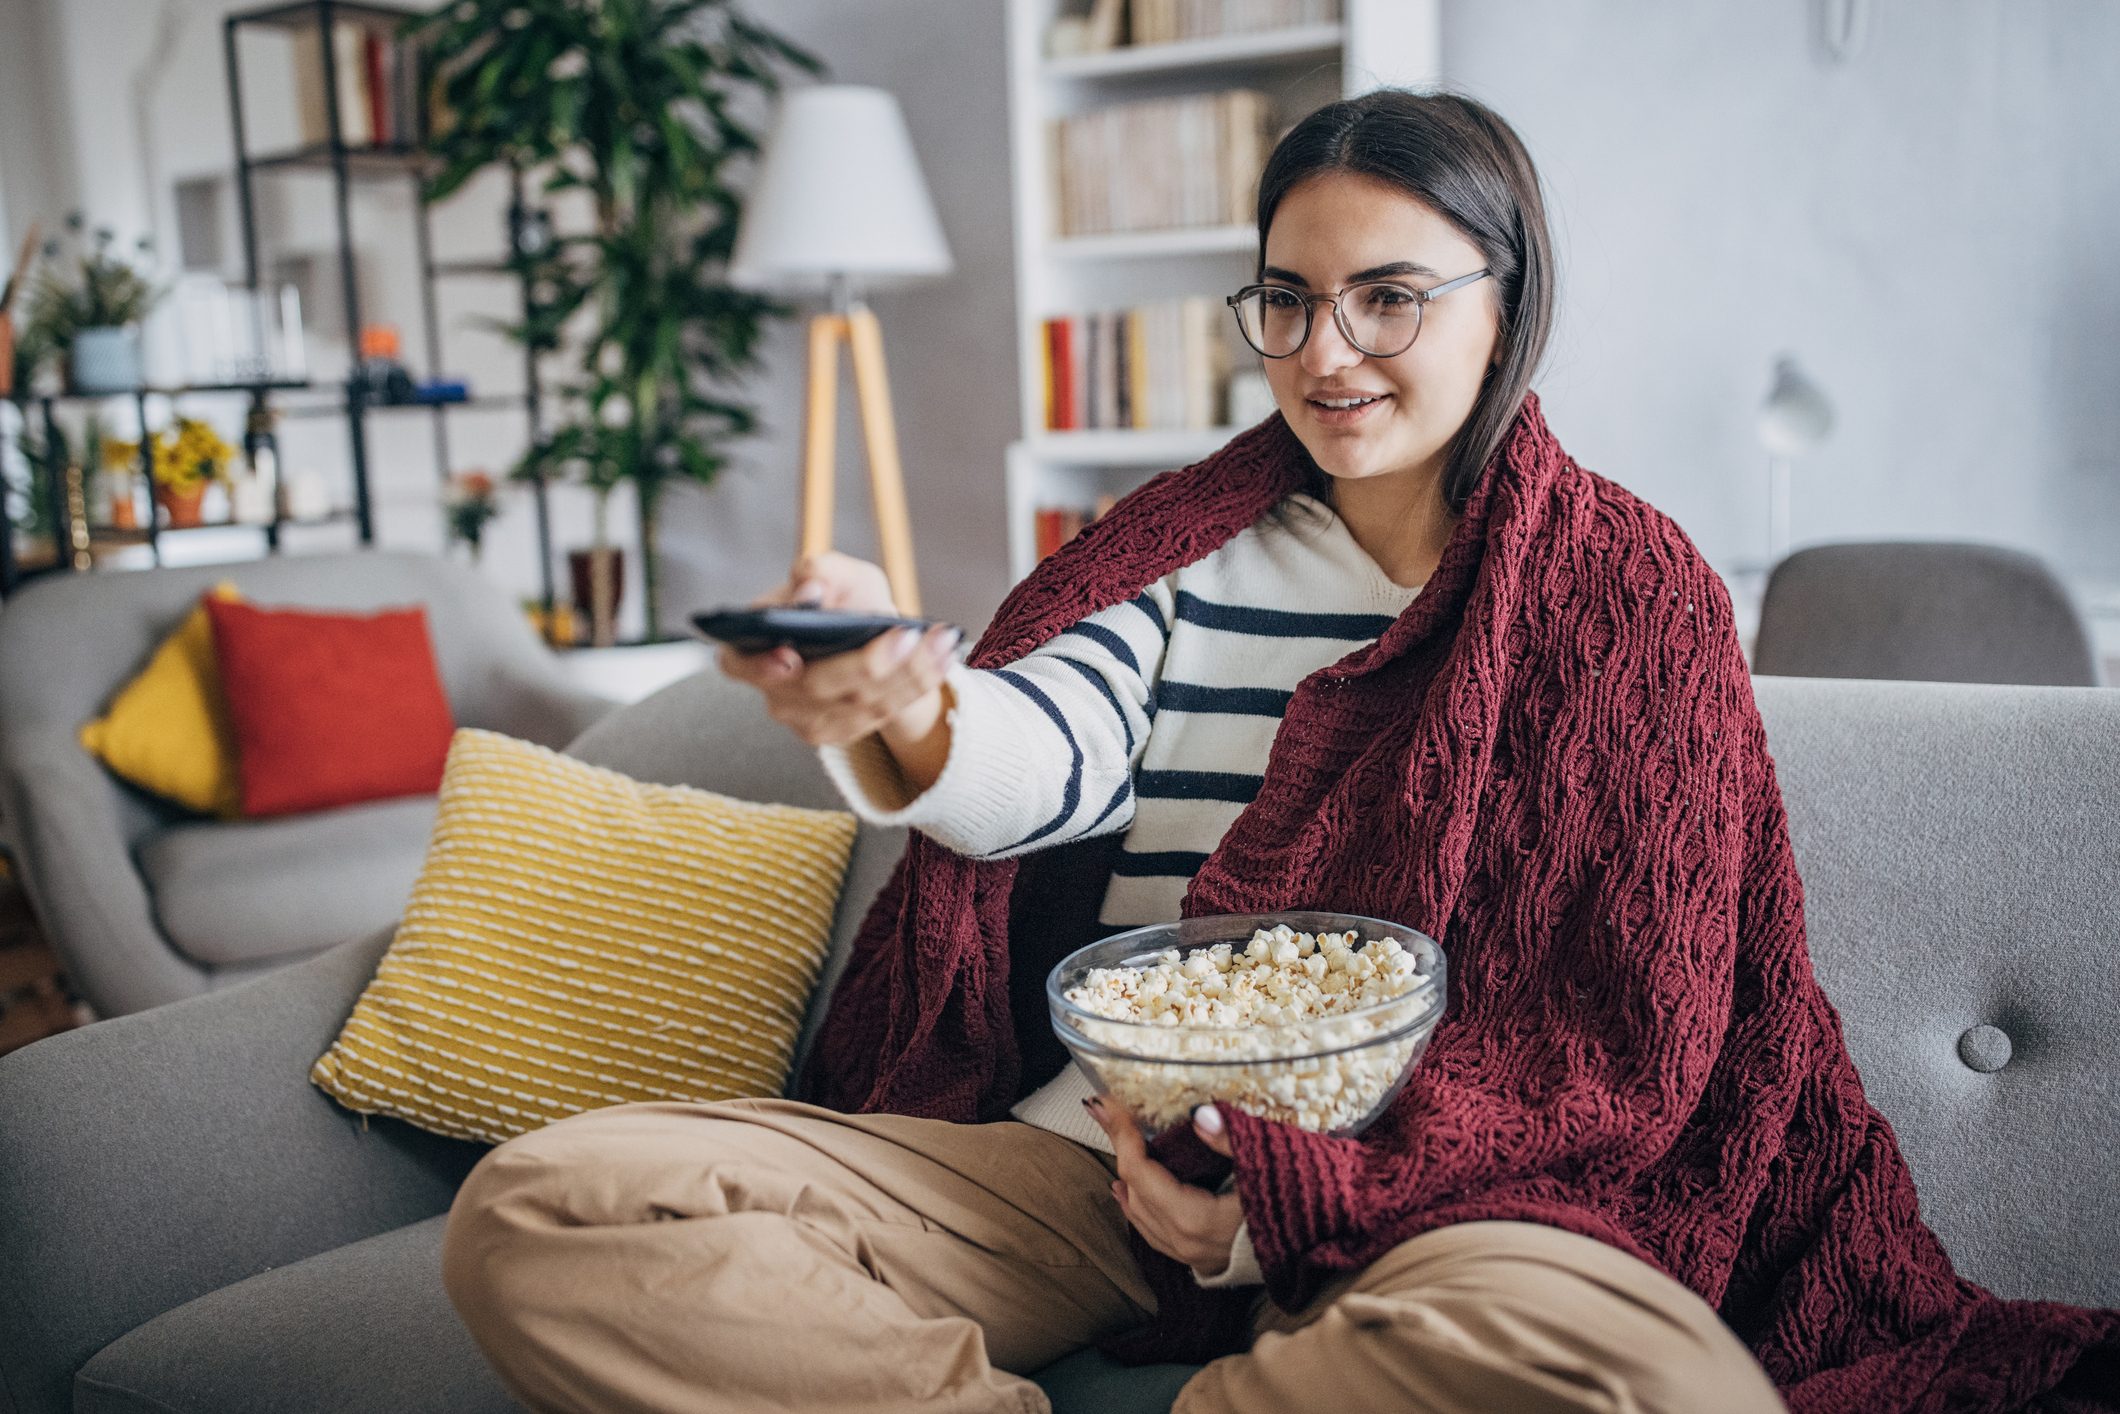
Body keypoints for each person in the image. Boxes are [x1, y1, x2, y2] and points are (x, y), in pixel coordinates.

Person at [440, 90, 2118, 1414]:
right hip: (1086, 1159)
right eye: (1290, 301)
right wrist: (898, 704)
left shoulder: (1632, 589)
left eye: (1390, 298)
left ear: (1506, 298)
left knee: (1646, 1382)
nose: (1328, 352)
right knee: (548, 1215)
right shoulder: (1190, 554)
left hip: (1439, 1195)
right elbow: (1039, 752)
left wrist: (1277, 1206)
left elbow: (1627, 1033)